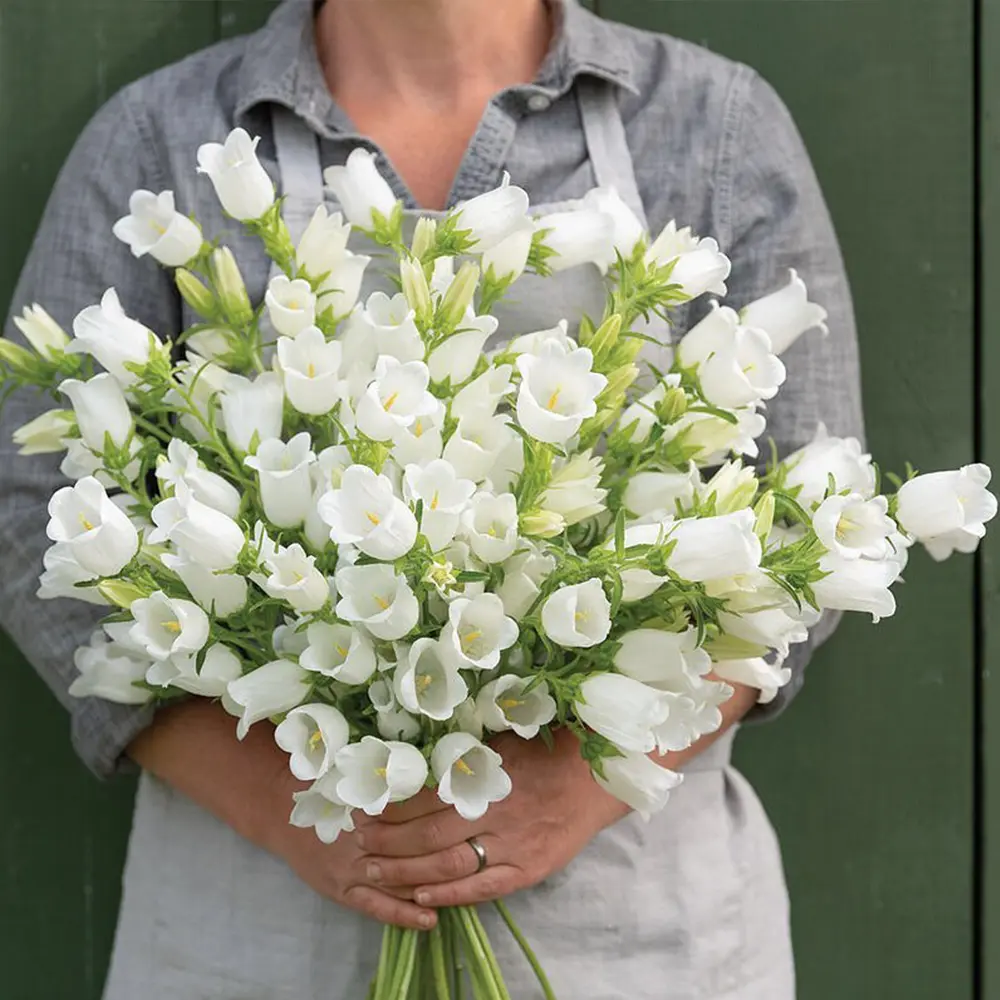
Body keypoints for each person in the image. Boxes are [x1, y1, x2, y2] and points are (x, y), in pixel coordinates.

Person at [0, 1, 863, 997]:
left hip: (630, 928)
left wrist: (575, 787)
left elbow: (804, 518)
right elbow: (33, 513)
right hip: (262, 921)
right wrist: (286, 806)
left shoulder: (712, 125)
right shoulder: (164, 132)